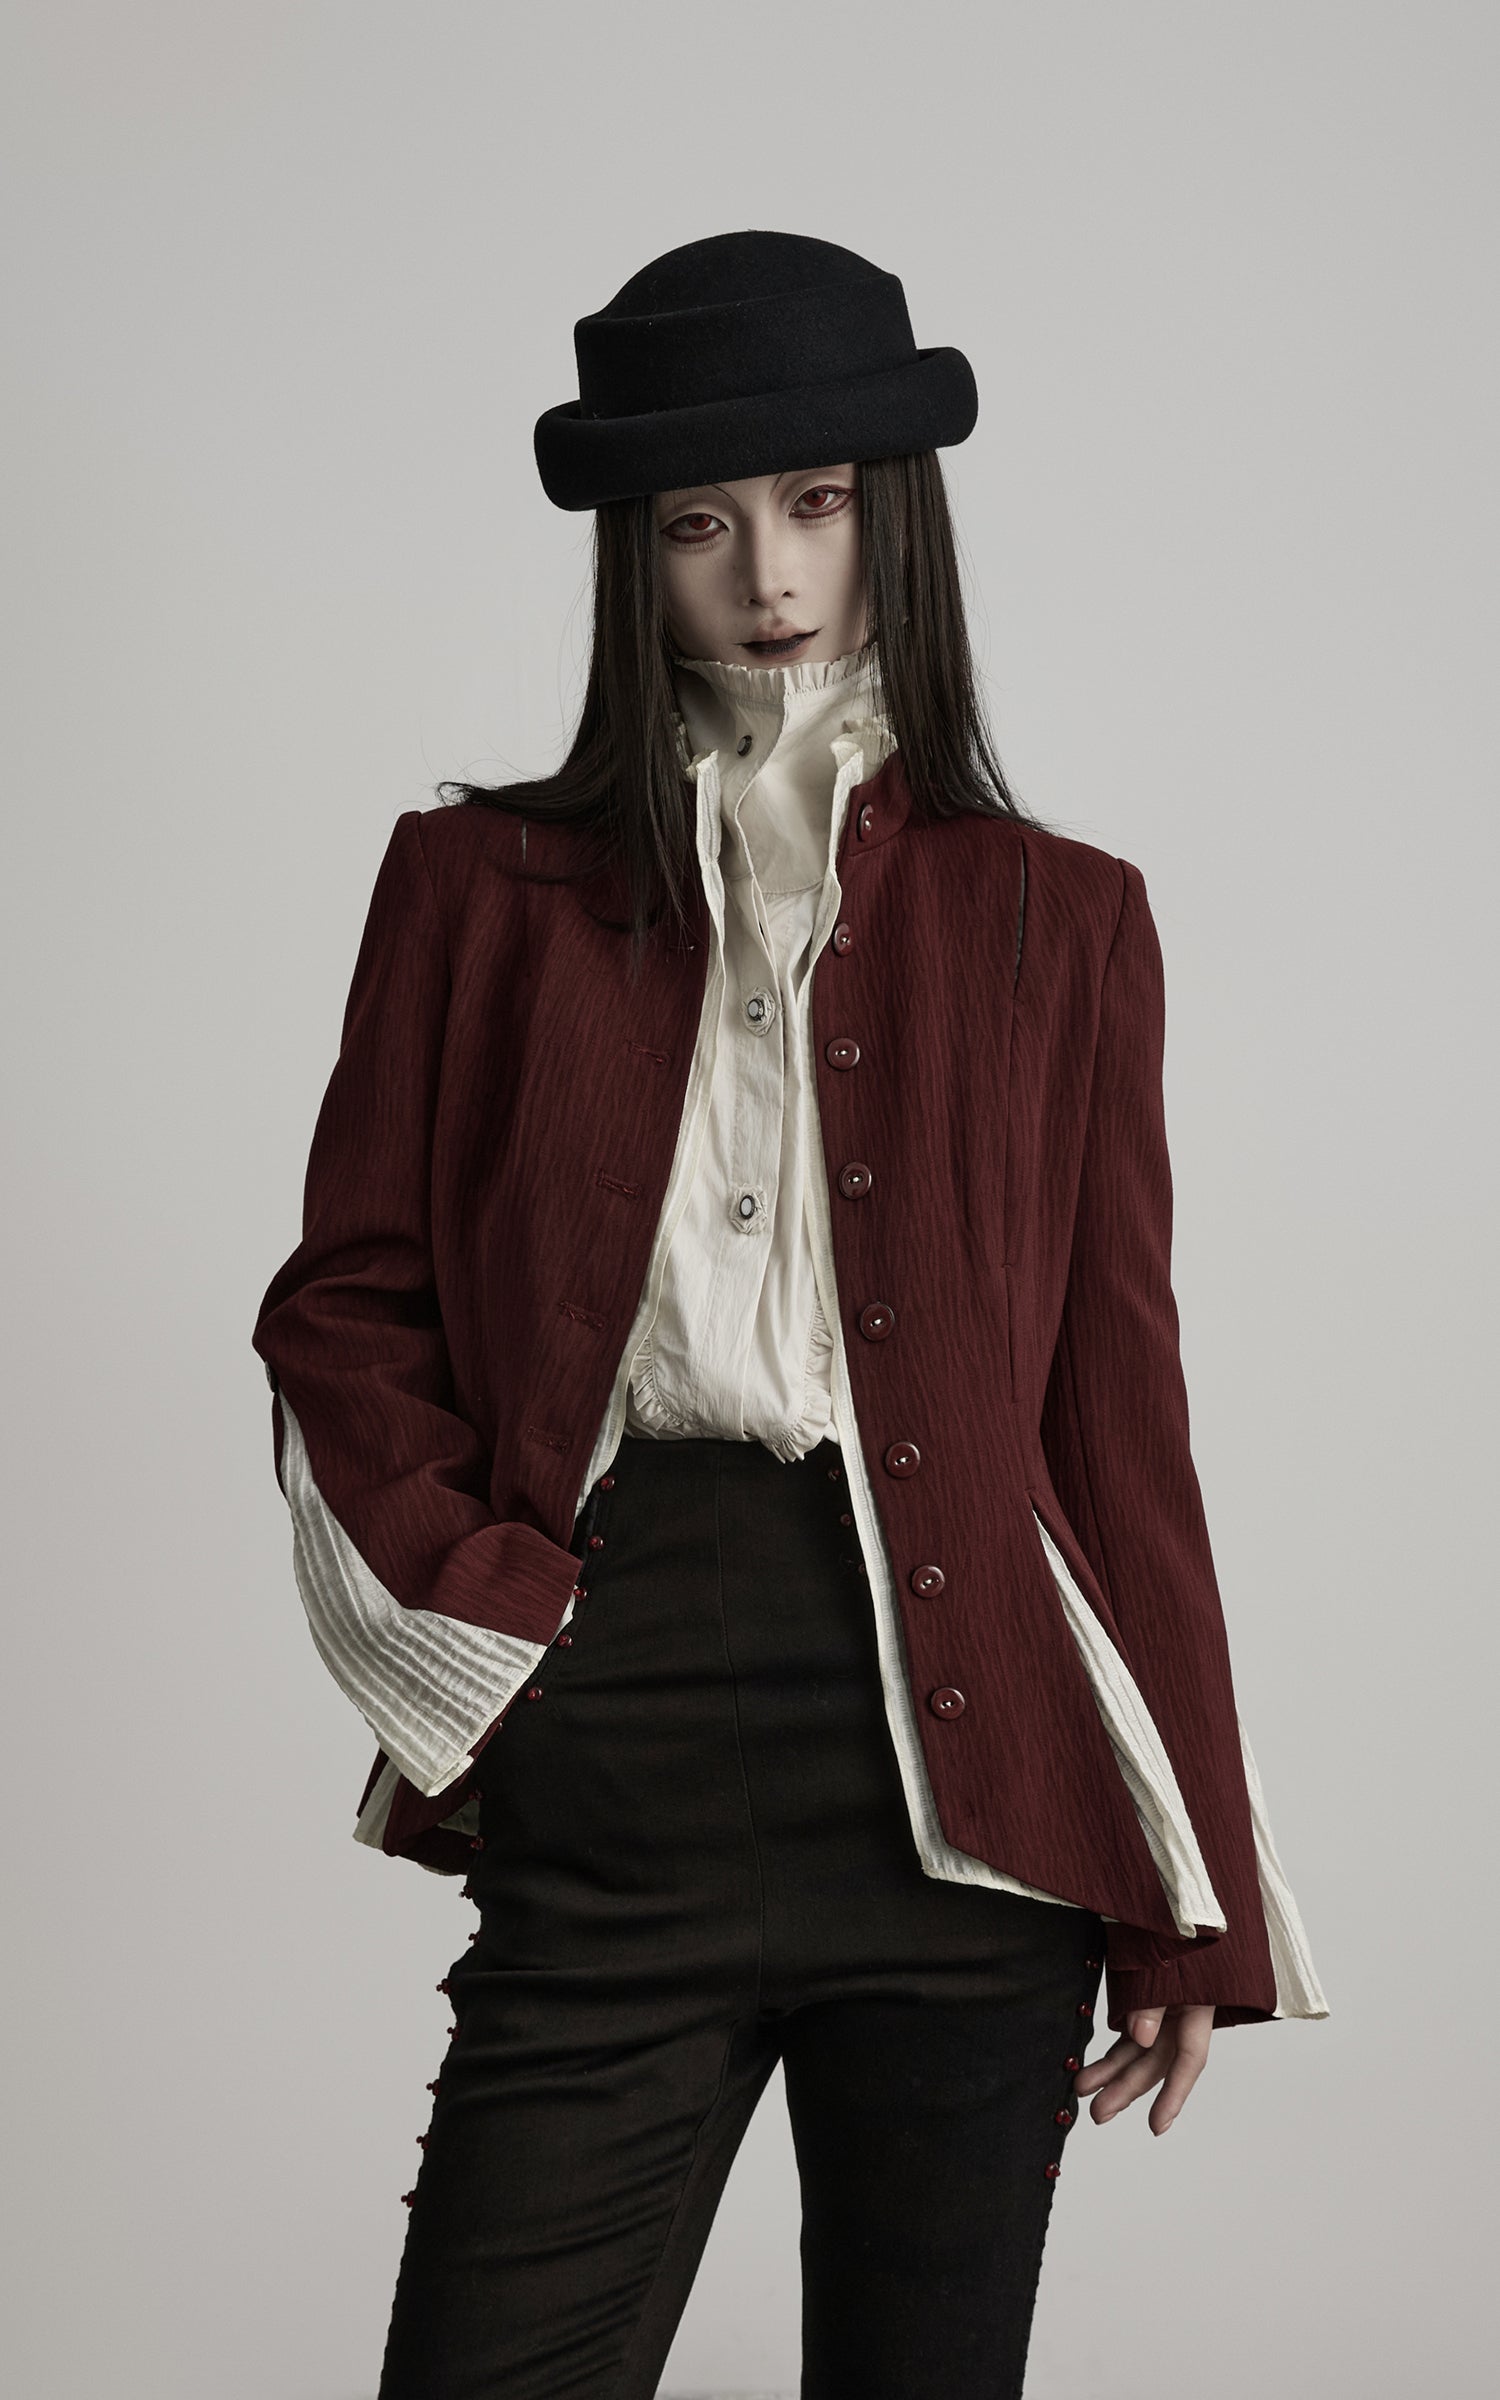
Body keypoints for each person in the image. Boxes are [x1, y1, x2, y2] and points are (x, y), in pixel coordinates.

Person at [251, 230, 1329, 2400]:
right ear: (633, 553)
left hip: (972, 1793)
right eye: (700, 523)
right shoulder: (474, 892)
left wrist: (1190, 1890)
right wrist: (495, 1625)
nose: (768, 572)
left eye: (818, 504)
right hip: (618, 1728)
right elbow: (342, 1310)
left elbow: (1119, 1423)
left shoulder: (1063, 920)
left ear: (889, 515)